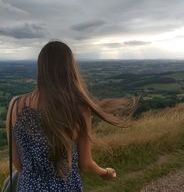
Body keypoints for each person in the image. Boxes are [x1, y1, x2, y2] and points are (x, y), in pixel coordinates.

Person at [6, 40, 136, 191]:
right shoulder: (79, 108)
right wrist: (105, 172)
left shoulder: (15, 105)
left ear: (41, 68)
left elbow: (17, 162)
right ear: (69, 68)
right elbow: (85, 164)